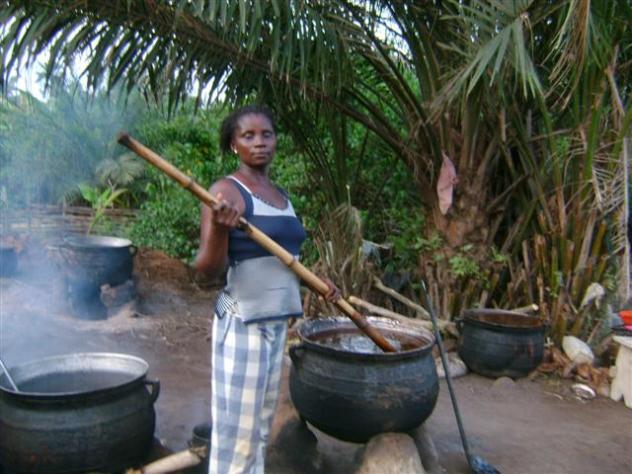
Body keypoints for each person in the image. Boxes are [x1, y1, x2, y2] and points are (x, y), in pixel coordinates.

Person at [195, 104, 340, 474]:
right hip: (243, 320)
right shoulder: (226, 191)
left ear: (276, 140)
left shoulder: (280, 196)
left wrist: (316, 282)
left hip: (275, 323)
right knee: (237, 435)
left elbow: (285, 260)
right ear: (234, 145)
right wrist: (221, 228)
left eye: (266, 134)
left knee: (259, 429)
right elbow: (206, 272)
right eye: (248, 136)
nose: (259, 142)